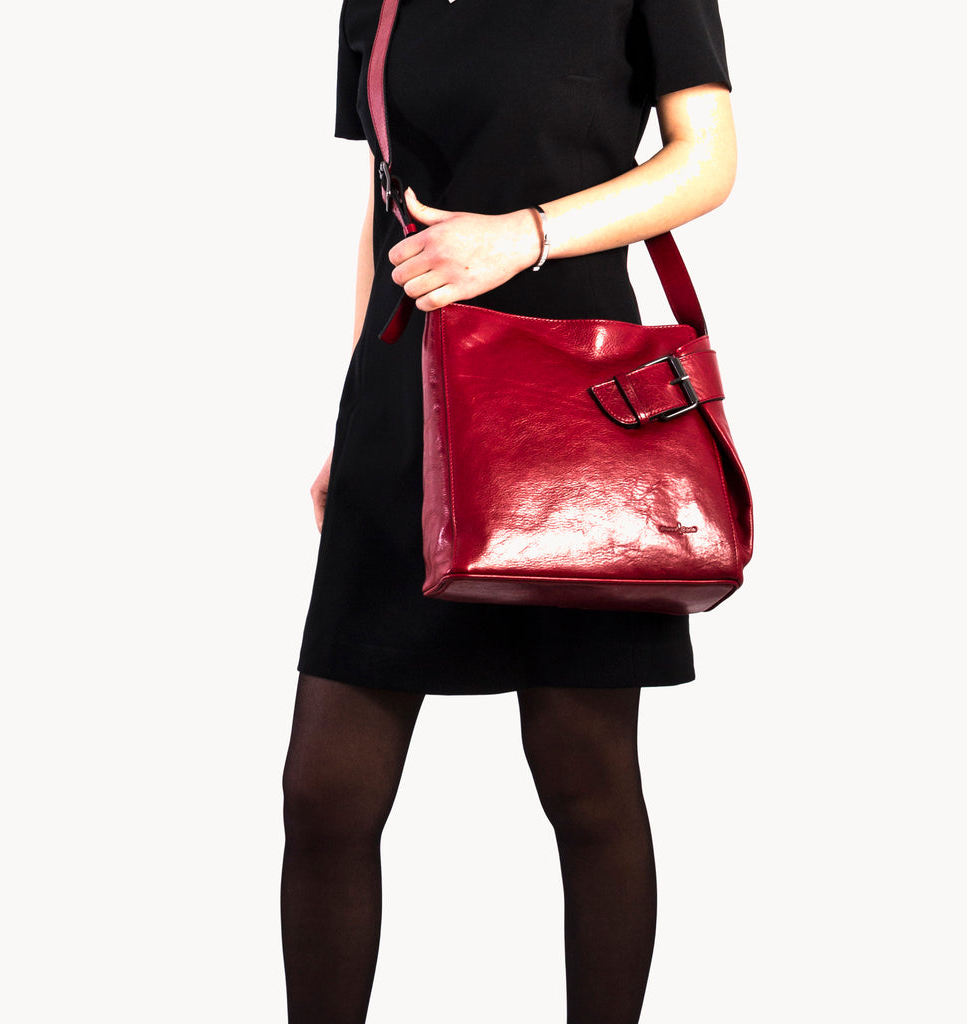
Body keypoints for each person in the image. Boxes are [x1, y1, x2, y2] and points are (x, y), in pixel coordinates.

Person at [281, 1, 737, 1021]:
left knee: (585, 776)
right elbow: (384, 205)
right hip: (415, 395)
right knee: (323, 791)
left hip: (574, 397)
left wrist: (524, 237)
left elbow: (706, 161)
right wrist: (355, 409)